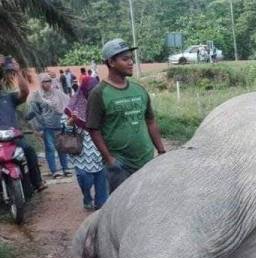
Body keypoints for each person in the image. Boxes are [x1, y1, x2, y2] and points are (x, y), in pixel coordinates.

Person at [87, 38, 165, 193]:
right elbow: (93, 129)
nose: (131, 62)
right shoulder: (99, 94)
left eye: (131, 58)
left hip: (147, 161)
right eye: (125, 59)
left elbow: (150, 121)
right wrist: (109, 159)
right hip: (121, 166)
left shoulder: (139, 90)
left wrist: (161, 151)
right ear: (111, 62)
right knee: (123, 210)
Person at [0, 56, 47, 191]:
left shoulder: (7, 97)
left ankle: (37, 182)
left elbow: (25, 92)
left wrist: (17, 72)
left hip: (12, 138)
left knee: (29, 150)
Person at [64, 76, 108, 210]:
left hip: (100, 149)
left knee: (102, 187)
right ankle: (87, 196)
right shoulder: (73, 107)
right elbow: (66, 131)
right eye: (90, 90)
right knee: (85, 179)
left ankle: (100, 205)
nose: (93, 93)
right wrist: (71, 122)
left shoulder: (103, 103)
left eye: (96, 89)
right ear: (83, 90)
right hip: (82, 152)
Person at [28, 73, 71, 178]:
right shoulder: (37, 95)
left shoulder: (57, 93)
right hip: (46, 126)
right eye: (44, 81)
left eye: (48, 81)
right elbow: (34, 113)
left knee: (62, 147)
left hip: (59, 124)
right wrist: (38, 128)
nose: (47, 83)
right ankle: (54, 171)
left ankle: (66, 168)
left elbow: (68, 103)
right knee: (50, 148)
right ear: (40, 83)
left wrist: (67, 118)